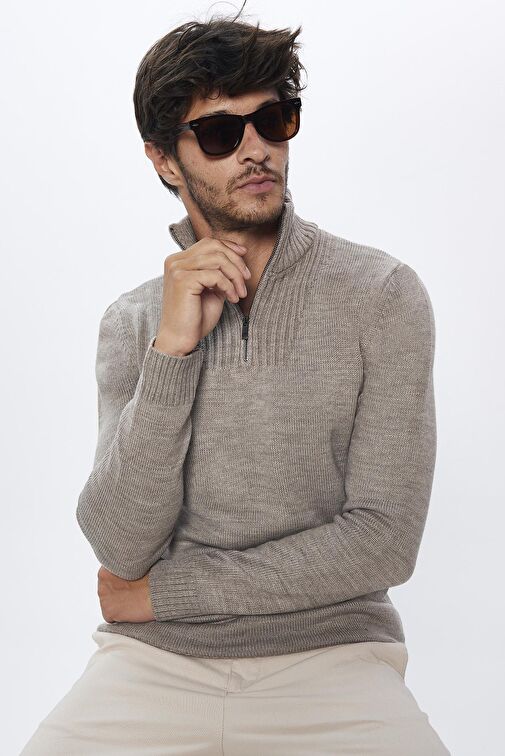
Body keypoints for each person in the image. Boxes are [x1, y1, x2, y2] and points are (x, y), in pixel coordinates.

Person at [20, 8, 451, 755]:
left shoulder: (379, 295)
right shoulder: (134, 322)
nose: (256, 150)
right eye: (221, 133)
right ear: (164, 159)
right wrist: (172, 352)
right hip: (154, 663)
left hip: (332, 657)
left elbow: (383, 541)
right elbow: (120, 542)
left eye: (273, 121)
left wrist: (166, 594)